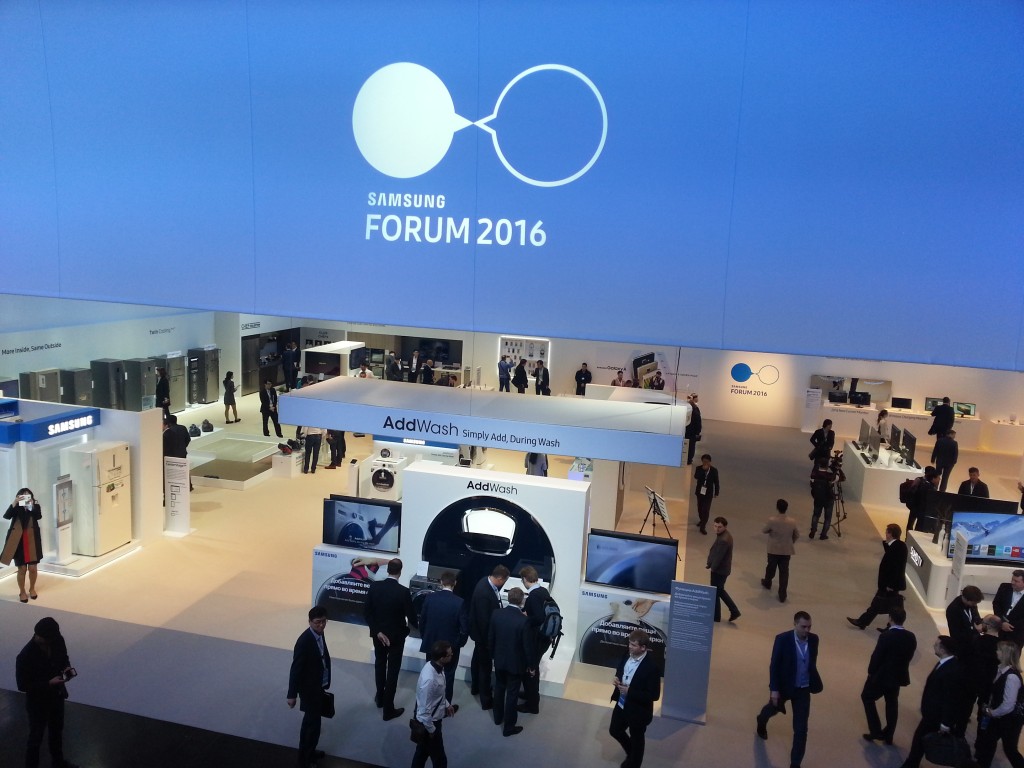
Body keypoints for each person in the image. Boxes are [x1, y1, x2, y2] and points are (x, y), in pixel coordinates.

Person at [755, 612, 823, 768]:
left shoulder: (814, 639)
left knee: (801, 730)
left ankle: (795, 764)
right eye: (803, 627)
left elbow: (811, 662)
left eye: (809, 627)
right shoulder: (782, 639)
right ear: (795, 624)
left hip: (803, 689)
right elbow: (774, 666)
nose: (807, 630)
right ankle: (761, 721)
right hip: (784, 687)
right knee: (771, 710)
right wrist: (774, 689)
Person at [16, 616, 78, 768]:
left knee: (56, 732)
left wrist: (66, 667)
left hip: (56, 696)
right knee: (35, 738)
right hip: (38, 703)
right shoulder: (25, 656)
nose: (50, 641)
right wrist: (48, 683)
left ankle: (58, 762)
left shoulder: (57, 640)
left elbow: (64, 657)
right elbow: (23, 685)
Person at [898, 635, 969, 768]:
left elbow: (950, 698)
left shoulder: (951, 670)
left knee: (919, 739)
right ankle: (912, 763)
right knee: (919, 740)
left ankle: (910, 764)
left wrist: (946, 723)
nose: (933, 646)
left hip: (936, 715)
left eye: (936, 645)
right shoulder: (945, 663)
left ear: (943, 649)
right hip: (932, 713)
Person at [364, 558, 415, 721]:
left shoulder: (375, 586)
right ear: (400, 571)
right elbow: (412, 617)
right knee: (393, 670)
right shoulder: (403, 592)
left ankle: (380, 697)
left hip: (378, 636)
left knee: (380, 664)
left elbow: (367, 612)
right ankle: (388, 709)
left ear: (387, 570)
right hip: (396, 637)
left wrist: (378, 631)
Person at [860, 606, 917, 746]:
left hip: (881, 676)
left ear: (890, 618)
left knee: (867, 697)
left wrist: (871, 671)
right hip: (898, 676)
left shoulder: (886, 636)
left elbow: (877, 656)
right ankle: (889, 734)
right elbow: (909, 656)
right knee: (892, 703)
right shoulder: (911, 636)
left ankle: (875, 730)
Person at [608, 629, 662, 768]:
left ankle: (634, 763)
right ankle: (632, 753)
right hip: (622, 703)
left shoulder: (652, 668)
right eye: (629, 643)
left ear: (643, 648)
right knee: (615, 730)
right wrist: (617, 677)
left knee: (637, 739)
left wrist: (630, 691)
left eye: (633, 645)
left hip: (638, 710)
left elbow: (654, 695)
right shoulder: (628, 653)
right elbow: (621, 668)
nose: (629, 647)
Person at [287, 606, 331, 768]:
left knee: (312, 724)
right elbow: (295, 669)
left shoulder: (319, 633)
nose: (321, 625)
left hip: (317, 686)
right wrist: (292, 695)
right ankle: (305, 759)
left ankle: (309, 752)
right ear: (310, 622)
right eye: (318, 622)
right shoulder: (304, 641)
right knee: (312, 726)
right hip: (309, 690)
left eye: (324, 621)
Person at [417, 571, 467, 705]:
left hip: (432, 645)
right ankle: (445, 706)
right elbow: (464, 629)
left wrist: (425, 638)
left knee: (431, 674)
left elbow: (422, 622)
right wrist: (458, 644)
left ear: (440, 582)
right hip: (450, 648)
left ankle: (429, 703)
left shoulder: (429, 598)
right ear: (455, 583)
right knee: (448, 676)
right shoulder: (459, 602)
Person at [847, 523, 908, 629]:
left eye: (887, 532)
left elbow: (896, 567)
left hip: (890, 584)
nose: (885, 534)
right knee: (892, 605)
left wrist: (890, 585)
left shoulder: (897, 547)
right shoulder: (897, 545)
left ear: (890, 534)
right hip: (890, 583)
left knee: (879, 603)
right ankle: (886, 626)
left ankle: (863, 622)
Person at [488, 586, 531, 737]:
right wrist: (531, 666)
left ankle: (497, 718)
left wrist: (492, 656)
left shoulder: (496, 614)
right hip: (515, 664)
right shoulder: (524, 621)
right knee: (512, 695)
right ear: (521, 601)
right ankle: (509, 727)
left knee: (499, 689)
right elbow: (527, 646)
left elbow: (491, 638)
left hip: (499, 660)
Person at [975, 641, 1024, 768]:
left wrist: (992, 713)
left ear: (1006, 654)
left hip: (1010, 720)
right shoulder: (1000, 670)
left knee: (1010, 749)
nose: (996, 652)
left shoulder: (1012, 677)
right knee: (988, 742)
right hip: (1000, 717)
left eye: (999, 650)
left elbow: (1008, 705)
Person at [467, 564, 509, 710]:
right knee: (485, 668)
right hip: (483, 637)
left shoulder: (484, 581)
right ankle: (486, 700)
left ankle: (475, 687)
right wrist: (489, 642)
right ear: (500, 578)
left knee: (477, 661)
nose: (504, 584)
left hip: (478, 634)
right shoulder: (484, 594)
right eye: (504, 581)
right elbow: (484, 621)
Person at [412, 640, 458, 768]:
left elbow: (438, 694)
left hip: (431, 720)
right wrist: (432, 731)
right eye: (450, 654)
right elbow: (424, 711)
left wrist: (447, 704)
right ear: (442, 658)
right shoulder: (429, 679)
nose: (452, 655)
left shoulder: (434, 666)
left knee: (421, 753)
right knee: (440, 760)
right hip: (430, 723)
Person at [519, 566, 550, 715]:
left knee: (530, 670)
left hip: (536, 640)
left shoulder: (533, 596)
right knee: (533, 668)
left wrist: (526, 617)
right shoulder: (543, 591)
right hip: (544, 638)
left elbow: (539, 617)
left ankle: (532, 705)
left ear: (525, 579)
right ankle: (530, 696)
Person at [4, 488, 43, 603]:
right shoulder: (16, 507)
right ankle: (22, 591)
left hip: (32, 540)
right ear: (19, 496)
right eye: (23, 495)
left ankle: (32, 588)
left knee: (33, 568)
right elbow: (6, 516)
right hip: (18, 541)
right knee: (22, 569)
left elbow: (38, 516)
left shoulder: (35, 506)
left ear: (31, 496)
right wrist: (15, 502)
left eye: (28, 495)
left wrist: (30, 506)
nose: (25, 497)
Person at [761, 499, 799, 603]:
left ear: (777, 508)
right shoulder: (792, 521)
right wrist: (790, 542)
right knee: (784, 572)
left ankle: (767, 582)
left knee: (770, 567)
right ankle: (782, 594)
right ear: (786, 508)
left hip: (773, 549)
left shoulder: (772, 520)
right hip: (786, 551)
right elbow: (796, 535)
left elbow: (764, 530)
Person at [706, 516, 740, 623]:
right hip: (723, 570)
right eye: (715, 526)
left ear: (725, 527)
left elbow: (718, 557)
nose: (717, 529)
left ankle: (717, 616)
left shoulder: (723, 540)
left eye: (719, 527)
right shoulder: (725, 535)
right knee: (719, 591)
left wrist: (712, 568)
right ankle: (734, 611)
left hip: (719, 571)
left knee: (715, 593)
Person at [808, 456, 843, 540]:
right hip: (828, 499)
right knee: (827, 517)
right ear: (827, 466)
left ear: (819, 464)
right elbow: (841, 478)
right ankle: (823, 535)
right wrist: (836, 469)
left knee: (816, 515)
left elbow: (811, 484)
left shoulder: (814, 474)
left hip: (818, 497)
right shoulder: (831, 476)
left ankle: (813, 530)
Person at [944, 585, 983, 659]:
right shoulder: (953, 609)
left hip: (974, 640)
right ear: (966, 599)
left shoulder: (972, 605)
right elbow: (956, 633)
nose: (975, 605)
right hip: (962, 644)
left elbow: (976, 617)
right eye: (974, 603)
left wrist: (980, 624)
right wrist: (975, 630)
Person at [992, 569, 1024, 646]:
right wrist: (1002, 622)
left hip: (1017, 634)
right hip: (999, 629)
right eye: (1012, 579)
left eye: (1016, 581)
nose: (1012, 582)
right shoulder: (1004, 587)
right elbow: (996, 604)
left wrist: (1010, 626)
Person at [163, 415, 193, 491]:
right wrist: (183, 447)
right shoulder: (183, 428)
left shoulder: (168, 431)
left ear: (168, 423)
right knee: (184, 469)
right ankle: (189, 486)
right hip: (182, 452)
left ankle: (176, 487)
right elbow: (188, 439)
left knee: (173, 471)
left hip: (172, 454)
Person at [692, 453, 719, 535]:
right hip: (700, 492)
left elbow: (716, 482)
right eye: (704, 461)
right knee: (700, 508)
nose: (705, 463)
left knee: (706, 509)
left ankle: (703, 526)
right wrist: (703, 471)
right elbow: (696, 477)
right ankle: (702, 520)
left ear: (710, 462)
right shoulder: (699, 468)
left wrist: (716, 492)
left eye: (707, 461)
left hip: (708, 493)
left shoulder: (714, 470)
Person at [906, 466, 939, 533]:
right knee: (912, 524)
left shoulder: (929, 484)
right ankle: (908, 537)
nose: (939, 479)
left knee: (912, 524)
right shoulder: (928, 486)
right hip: (916, 507)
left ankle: (909, 537)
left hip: (916, 507)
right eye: (938, 478)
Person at [685, 394, 702, 466]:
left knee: (689, 446)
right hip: (692, 431)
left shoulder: (689, 409)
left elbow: (698, 421)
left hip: (688, 431)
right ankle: (689, 460)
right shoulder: (695, 409)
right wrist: (698, 431)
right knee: (691, 446)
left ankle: (688, 459)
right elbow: (698, 421)